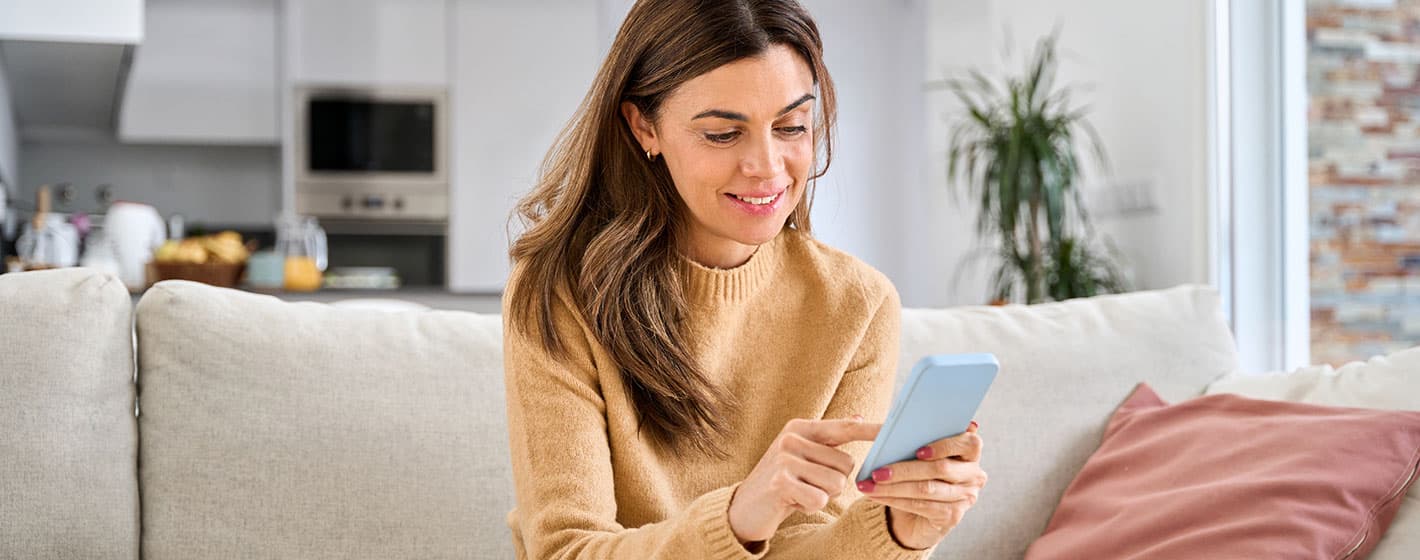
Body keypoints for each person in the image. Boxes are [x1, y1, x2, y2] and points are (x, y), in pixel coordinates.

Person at [502, 1, 987, 557]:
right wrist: (739, 516)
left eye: (791, 126)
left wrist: (899, 531)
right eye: (722, 134)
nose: (768, 166)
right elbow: (565, 550)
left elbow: (811, 537)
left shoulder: (858, 304)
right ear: (643, 127)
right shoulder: (559, 290)